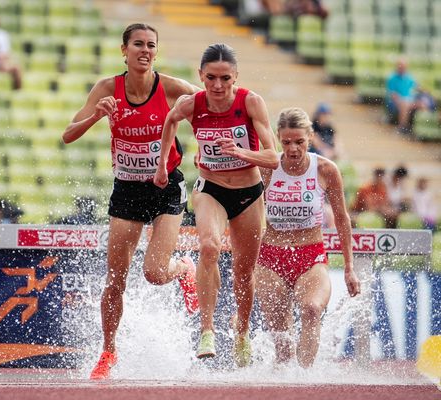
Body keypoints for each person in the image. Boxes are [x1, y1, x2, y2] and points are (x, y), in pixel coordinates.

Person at [62, 23, 200, 380]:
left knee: (154, 273)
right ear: (123, 50)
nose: (144, 50)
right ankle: (108, 352)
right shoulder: (107, 88)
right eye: (137, 44)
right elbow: (67, 134)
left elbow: (210, 110)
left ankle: (184, 268)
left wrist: (212, 156)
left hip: (166, 187)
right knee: (116, 278)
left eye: (151, 45)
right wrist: (97, 115)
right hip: (126, 189)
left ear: (156, 51)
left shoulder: (171, 88)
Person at [154, 43, 279, 367]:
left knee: (243, 271)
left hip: (248, 194)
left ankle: (242, 331)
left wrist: (241, 152)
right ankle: (206, 330)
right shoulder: (191, 104)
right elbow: (170, 121)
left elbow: (273, 157)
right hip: (211, 189)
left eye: (225, 78)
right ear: (201, 76)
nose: (218, 86)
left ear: (235, 76)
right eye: (211, 78)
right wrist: (161, 163)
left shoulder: (250, 102)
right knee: (208, 246)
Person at [254, 107, 360, 368]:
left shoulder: (325, 169)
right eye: (287, 142)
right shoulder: (266, 169)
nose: (293, 149)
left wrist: (349, 267)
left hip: (310, 256)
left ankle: (306, 381)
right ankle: (285, 386)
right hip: (270, 258)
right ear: (278, 138)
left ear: (310, 137)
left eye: (299, 142)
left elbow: (343, 219)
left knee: (312, 309)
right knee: (282, 341)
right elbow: (245, 214)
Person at [385, 59, 418, 134]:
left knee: (423, 104)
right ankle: (402, 127)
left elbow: (415, 90)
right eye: (401, 66)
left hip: (410, 101)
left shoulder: (410, 78)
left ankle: (420, 128)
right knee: (404, 104)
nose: (402, 68)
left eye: (404, 66)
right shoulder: (392, 78)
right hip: (396, 102)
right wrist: (402, 101)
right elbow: (392, 94)